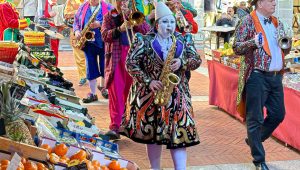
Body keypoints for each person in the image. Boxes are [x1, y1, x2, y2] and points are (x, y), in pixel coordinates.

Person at [119, 2, 201, 169]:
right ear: (157, 24)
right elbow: (131, 64)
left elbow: (197, 60)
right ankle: (154, 167)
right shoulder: (143, 40)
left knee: (179, 135)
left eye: (171, 22)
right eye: (165, 22)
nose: (169, 26)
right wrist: (149, 81)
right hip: (152, 96)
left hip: (177, 97)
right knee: (153, 135)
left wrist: (182, 62)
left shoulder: (184, 39)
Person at [233, 0, 291, 169]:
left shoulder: (276, 21)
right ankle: (259, 160)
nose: (275, 3)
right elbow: (236, 46)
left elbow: (282, 47)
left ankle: (254, 138)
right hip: (257, 76)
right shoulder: (248, 21)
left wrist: (287, 44)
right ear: (259, 3)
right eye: (271, 0)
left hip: (275, 76)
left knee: (278, 114)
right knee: (255, 118)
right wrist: (253, 42)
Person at [101, 0, 150, 139]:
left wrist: (135, 21)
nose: (123, 2)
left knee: (132, 93)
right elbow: (105, 35)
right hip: (117, 58)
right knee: (116, 93)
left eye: (126, 0)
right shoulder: (109, 16)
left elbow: (147, 31)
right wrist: (120, 29)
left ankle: (131, 124)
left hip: (134, 59)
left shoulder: (135, 14)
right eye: (120, 0)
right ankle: (115, 126)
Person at [73, 0, 113, 103]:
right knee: (90, 67)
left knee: (105, 65)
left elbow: (115, 19)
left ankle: (105, 88)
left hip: (104, 41)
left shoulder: (108, 6)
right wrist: (77, 31)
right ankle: (93, 93)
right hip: (88, 42)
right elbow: (76, 21)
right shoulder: (82, 7)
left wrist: (100, 24)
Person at [64, 0, 88, 86]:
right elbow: (66, 14)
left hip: (90, 31)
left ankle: (91, 75)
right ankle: (83, 76)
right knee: (79, 56)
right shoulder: (71, 1)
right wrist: (80, 12)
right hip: (76, 33)